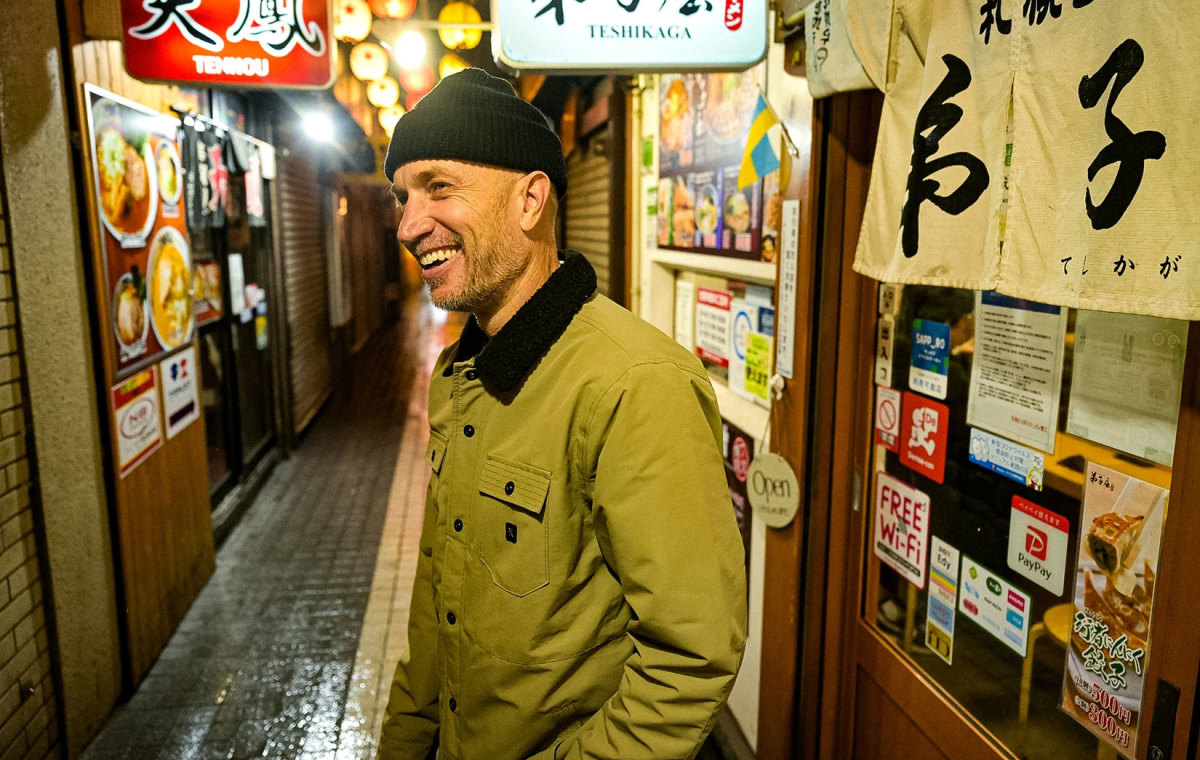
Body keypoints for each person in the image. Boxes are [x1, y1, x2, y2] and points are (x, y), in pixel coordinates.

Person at [378, 68, 747, 760]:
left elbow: (690, 659)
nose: (407, 224)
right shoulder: (460, 373)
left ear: (530, 199)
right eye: (402, 196)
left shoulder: (635, 385)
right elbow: (436, 609)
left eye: (438, 186)